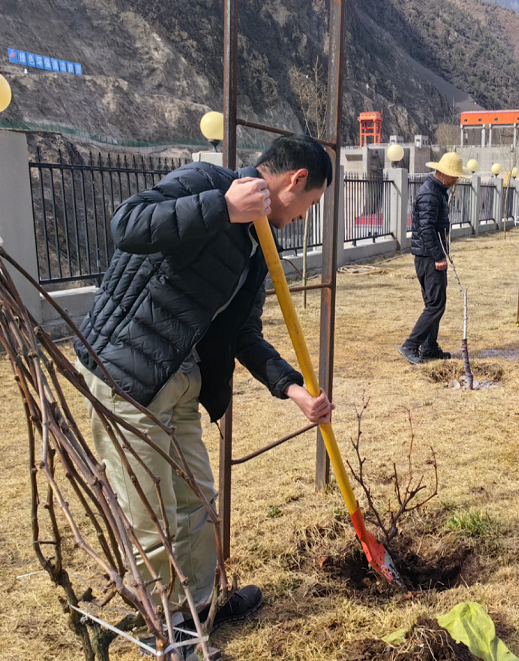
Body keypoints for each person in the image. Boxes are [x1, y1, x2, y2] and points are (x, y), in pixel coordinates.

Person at [74, 134, 334, 633]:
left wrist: (293, 389)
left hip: (181, 382)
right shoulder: (207, 182)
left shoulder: (260, 243)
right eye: (311, 203)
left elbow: (243, 333)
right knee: (153, 517)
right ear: (296, 179)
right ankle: (171, 630)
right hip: (126, 377)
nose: (306, 216)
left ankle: (202, 607)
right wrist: (221, 207)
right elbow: (126, 224)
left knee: (197, 502)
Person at [399, 152, 472, 364]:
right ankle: (410, 345)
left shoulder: (436, 191)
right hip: (429, 257)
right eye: (454, 176)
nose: (456, 180)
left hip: (428, 255)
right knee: (435, 305)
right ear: (443, 173)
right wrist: (439, 256)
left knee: (434, 303)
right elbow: (426, 229)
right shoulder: (430, 194)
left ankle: (429, 347)